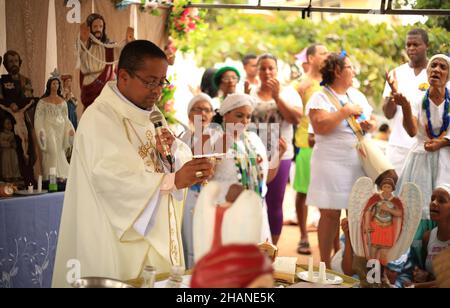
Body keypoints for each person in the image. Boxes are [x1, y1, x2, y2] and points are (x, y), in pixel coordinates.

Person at [52, 40, 216, 287]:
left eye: (162, 82)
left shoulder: (151, 114)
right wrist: (173, 179)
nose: (157, 90)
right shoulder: (100, 118)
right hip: (114, 240)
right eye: (150, 81)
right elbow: (111, 179)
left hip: (153, 232)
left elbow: (170, 155)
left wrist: (182, 160)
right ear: (124, 76)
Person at [306, 52, 377, 268]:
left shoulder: (357, 95)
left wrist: (369, 125)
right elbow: (320, 126)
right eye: (350, 67)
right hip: (330, 162)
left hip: (356, 161)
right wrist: (345, 111)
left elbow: (372, 120)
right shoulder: (320, 97)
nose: (353, 71)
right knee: (329, 214)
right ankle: (324, 266)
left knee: (356, 213)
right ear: (337, 71)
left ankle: (352, 265)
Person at [392, 54, 450, 265]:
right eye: (433, 65)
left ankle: (438, 267)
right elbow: (412, 131)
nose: (436, 69)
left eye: (442, 66)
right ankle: (411, 264)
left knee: (443, 206)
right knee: (415, 207)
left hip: (445, 161)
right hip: (420, 160)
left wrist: (442, 143)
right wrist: (406, 108)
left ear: (448, 74)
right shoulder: (418, 99)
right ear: (427, 71)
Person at [209, 94, 287, 244]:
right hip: (227, 210)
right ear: (225, 115)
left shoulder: (254, 140)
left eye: (248, 117)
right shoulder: (216, 139)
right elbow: (205, 178)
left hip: (256, 209)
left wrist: (279, 154)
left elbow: (266, 178)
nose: (244, 121)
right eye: (239, 116)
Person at [250, 54, 303, 245]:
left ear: (277, 70)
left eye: (270, 68)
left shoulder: (288, 92)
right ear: (257, 71)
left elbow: (296, 119)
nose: (267, 72)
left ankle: (271, 249)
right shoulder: (250, 94)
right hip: (253, 155)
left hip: (281, 154)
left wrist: (277, 97)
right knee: (252, 201)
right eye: (262, 68)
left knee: (274, 202)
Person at [292, 44, 329, 254]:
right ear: (312, 57)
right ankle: (304, 236)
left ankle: (328, 239)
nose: (326, 56)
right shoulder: (300, 84)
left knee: (326, 193)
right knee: (303, 192)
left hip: (326, 144)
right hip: (305, 144)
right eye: (322, 53)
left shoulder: (330, 81)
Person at [382, 29, 430, 176]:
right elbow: (388, 114)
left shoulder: (435, 73)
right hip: (398, 148)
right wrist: (393, 94)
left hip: (425, 148)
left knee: (421, 194)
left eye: (416, 44)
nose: (411, 48)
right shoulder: (396, 73)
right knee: (393, 195)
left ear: (427, 46)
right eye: (408, 45)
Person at [180, 93, 217, 268]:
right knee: (188, 239)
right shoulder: (181, 139)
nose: (202, 113)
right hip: (187, 197)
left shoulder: (220, 139)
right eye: (197, 109)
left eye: (207, 110)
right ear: (189, 115)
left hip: (212, 199)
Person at [78, 13, 134, 109]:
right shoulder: (84, 46)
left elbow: (121, 50)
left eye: (101, 26)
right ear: (90, 28)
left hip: (106, 85)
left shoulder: (108, 47)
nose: (98, 29)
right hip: (90, 86)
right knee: (91, 112)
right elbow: (79, 51)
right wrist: (83, 39)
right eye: (95, 26)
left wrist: (129, 42)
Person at [0, 50, 37, 184]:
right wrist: (10, 105)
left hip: (22, 120)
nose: (14, 64)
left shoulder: (25, 80)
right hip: (8, 121)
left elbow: (29, 98)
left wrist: (18, 104)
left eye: (16, 61)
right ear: (5, 64)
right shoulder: (2, 81)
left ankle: (28, 179)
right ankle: (11, 178)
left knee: (26, 149)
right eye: (10, 61)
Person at [408, 184, 450, 288]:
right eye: (432, 199)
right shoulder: (427, 237)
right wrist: (423, 274)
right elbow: (430, 273)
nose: (433, 203)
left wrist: (415, 286)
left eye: (441, 200)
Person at [34, 76, 75, 179]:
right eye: (53, 83)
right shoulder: (42, 102)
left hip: (60, 130)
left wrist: (70, 130)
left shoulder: (63, 101)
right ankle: (50, 177)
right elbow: (38, 118)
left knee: (60, 152)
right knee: (52, 150)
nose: (55, 85)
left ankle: (61, 176)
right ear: (49, 85)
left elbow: (66, 118)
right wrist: (41, 131)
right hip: (48, 128)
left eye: (57, 84)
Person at [363, 177, 403, 265]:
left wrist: (389, 209)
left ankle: (382, 272)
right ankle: (371, 272)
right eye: (385, 186)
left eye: (389, 187)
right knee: (372, 252)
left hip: (387, 228)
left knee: (384, 254)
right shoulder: (375, 198)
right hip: (375, 227)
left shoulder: (395, 200)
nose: (386, 189)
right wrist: (367, 224)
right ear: (381, 187)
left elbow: (400, 213)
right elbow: (368, 210)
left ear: (392, 189)